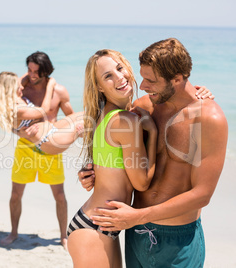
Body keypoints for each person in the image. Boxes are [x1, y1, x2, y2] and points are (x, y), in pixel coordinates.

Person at [78, 38, 228, 267]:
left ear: (177, 79)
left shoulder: (209, 119)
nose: (143, 85)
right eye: (143, 77)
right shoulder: (144, 107)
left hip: (177, 241)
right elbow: (111, 141)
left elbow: (203, 194)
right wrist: (93, 170)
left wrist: (137, 216)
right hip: (135, 232)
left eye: (151, 80)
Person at [67, 49, 157, 267]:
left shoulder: (105, 116)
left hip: (97, 226)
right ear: (99, 87)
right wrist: (152, 135)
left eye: (119, 68)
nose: (119, 77)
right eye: (108, 76)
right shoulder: (125, 121)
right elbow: (142, 182)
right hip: (94, 229)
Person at [0, 51, 74, 249]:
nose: (32, 75)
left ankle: (63, 236)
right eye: (29, 70)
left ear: (46, 71)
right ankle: (14, 232)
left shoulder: (59, 91)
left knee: (59, 195)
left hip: (50, 149)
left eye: (36, 71)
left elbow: (71, 120)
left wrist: (55, 131)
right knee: (16, 194)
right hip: (25, 148)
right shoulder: (22, 89)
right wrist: (20, 133)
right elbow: (11, 119)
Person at [0, 71, 83, 155]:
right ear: (11, 89)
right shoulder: (16, 110)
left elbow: (27, 76)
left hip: (53, 128)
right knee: (85, 123)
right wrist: (50, 86)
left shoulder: (12, 103)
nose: (22, 87)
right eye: (19, 86)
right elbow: (44, 111)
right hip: (49, 140)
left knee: (89, 114)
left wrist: (19, 133)